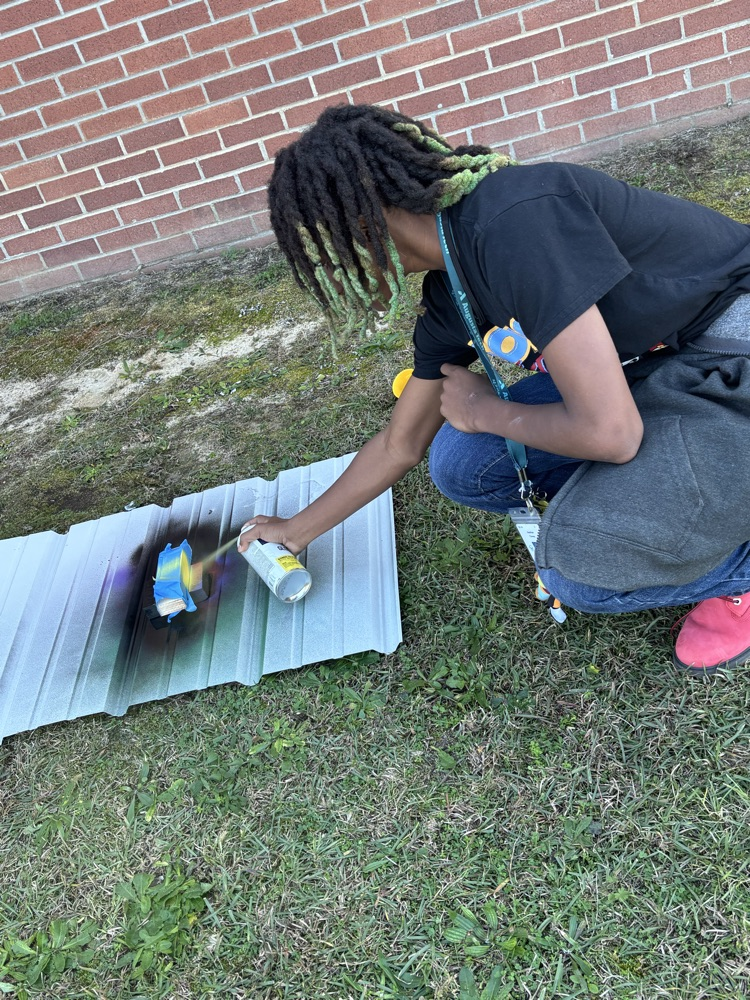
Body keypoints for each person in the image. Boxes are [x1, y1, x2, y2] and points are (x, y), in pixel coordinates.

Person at [238, 103, 750, 675]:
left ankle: (739, 564)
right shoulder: (451, 288)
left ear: (363, 224)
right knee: (462, 462)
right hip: (663, 369)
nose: (328, 276)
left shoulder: (516, 221)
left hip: (732, 360)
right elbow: (400, 443)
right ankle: (657, 499)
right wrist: (294, 532)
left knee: (577, 573)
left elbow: (612, 434)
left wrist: (486, 411)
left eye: (324, 253)